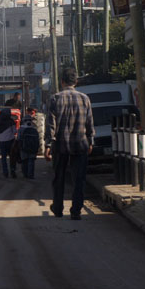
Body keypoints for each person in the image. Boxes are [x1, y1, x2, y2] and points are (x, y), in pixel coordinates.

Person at [44, 68, 94, 220]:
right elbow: (90, 123)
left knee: (59, 178)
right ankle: (76, 211)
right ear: (76, 82)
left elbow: (50, 125)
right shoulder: (85, 99)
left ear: (62, 82)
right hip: (80, 144)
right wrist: (91, 141)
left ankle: (58, 208)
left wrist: (47, 145)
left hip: (60, 146)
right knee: (79, 179)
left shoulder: (55, 99)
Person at [0, 108, 17, 178]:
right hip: (10, 141)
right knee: (12, 157)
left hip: (1, 142)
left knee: (3, 158)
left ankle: (5, 172)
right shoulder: (11, 122)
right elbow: (14, 131)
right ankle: (12, 170)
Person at [18, 114, 39, 179]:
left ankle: (25, 174)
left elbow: (19, 138)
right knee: (31, 161)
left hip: (24, 147)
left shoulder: (21, 128)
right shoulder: (34, 128)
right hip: (33, 147)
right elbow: (37, 138)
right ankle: (31, 175)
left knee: (24, 161)